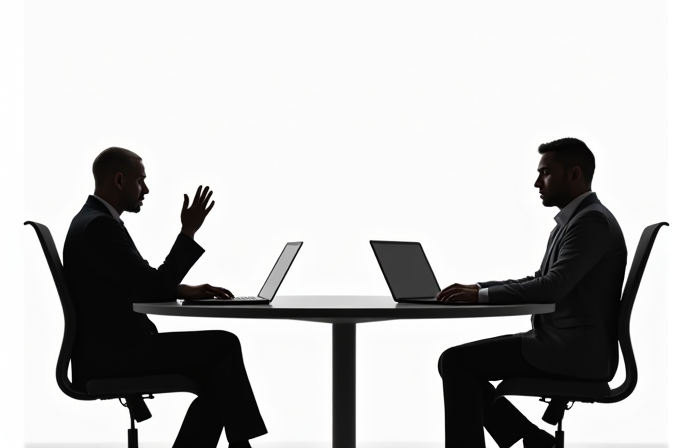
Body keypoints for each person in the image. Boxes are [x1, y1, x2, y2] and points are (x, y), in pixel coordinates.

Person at [63, 147, 267, 448]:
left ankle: (242, 445)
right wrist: (188, 231)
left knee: (219, 381)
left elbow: (136, 282)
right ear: (119, 180)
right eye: (140, 180)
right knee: (224, 345)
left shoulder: (92, 220)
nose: (146, 189)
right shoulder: (100, 226)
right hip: (115, 356)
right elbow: (152, 289)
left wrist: (182, 290)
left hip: (110, 350)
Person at [436, 138, 627, 448]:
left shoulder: (591, 222)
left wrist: (480, 297)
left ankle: (531, 438)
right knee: (456, 363)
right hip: (561, 344)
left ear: (574, 174)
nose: (537, 182)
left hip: (572, 352)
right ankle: (534, 440)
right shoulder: (573, 222)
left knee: (456, 363)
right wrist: (480, 289)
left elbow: (552, 287)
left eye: (546, 173)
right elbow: (542, 279)